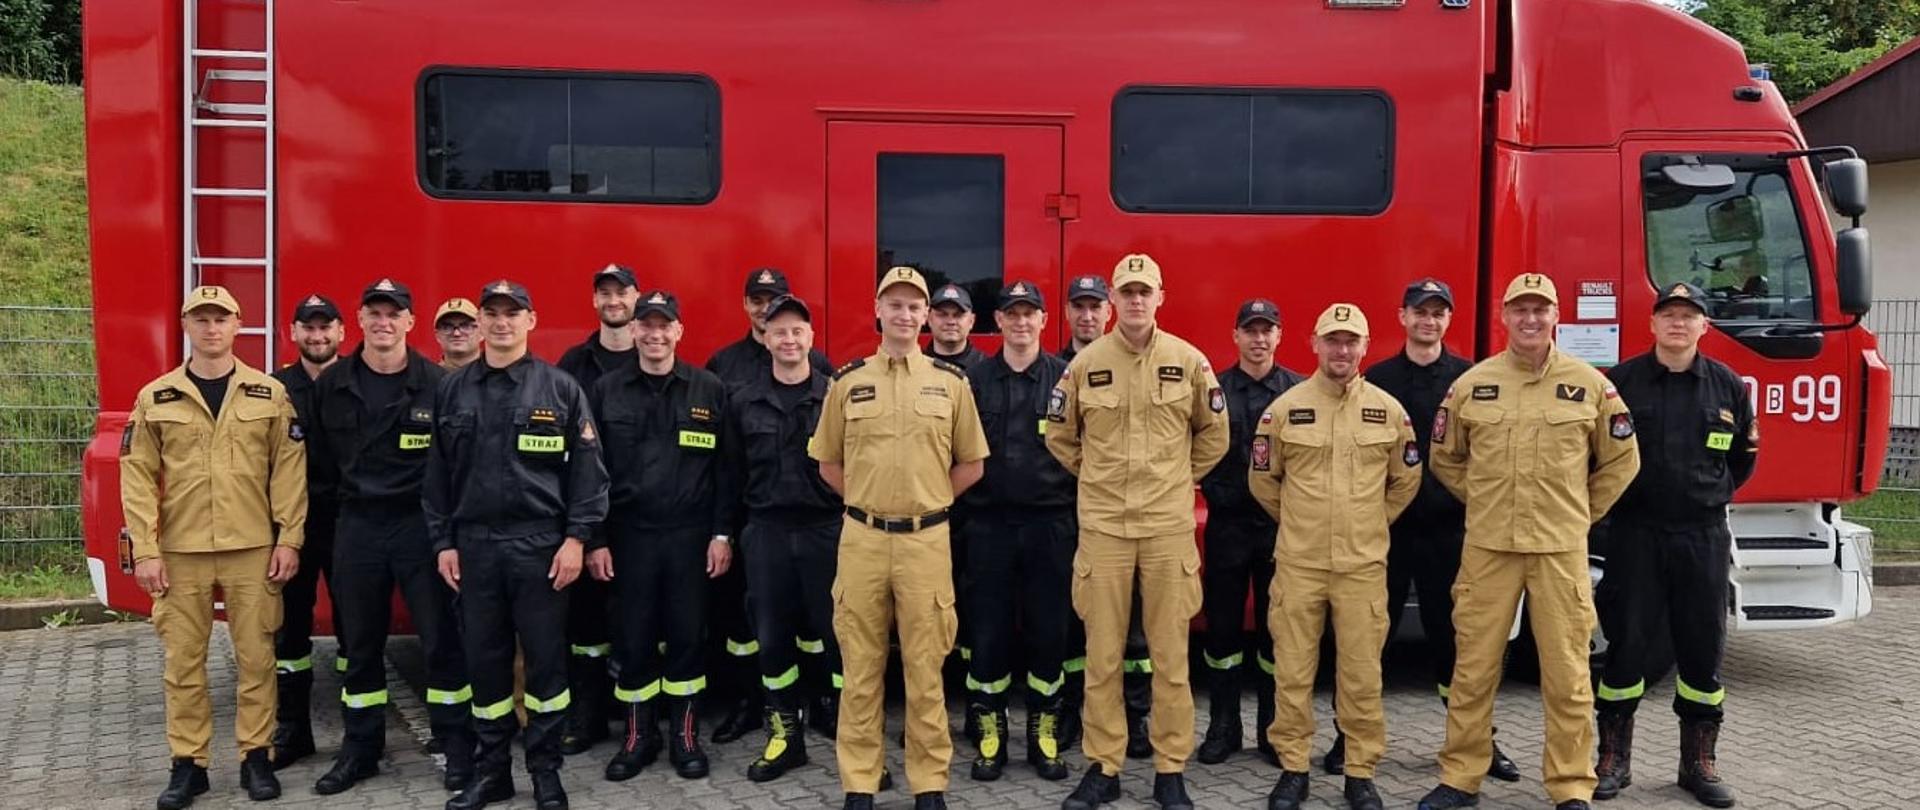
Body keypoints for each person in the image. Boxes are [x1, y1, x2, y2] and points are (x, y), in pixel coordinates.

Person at [1418, 273, 1641, 810]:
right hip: (1489, 548)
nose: (1530, 319)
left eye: (1540, 309)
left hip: (1559, 551)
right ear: (1504, 316)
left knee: (1566, 674)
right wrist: (1486, 498)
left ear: (1556, 315)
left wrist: (1581, 514)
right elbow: (1445, 456)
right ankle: (1461, 778)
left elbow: (1621, 460)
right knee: (1472, 668)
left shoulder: (1590, 385)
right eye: (1520, 309)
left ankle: (1570, 786)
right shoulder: (1473, 384)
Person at [1046, 254, 1227, 810]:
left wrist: (1175, 481)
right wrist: (1099, 480)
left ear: (1160, 297)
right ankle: (1104, 767)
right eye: (1125, 292)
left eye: (1144, 291)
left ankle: (1170, 769)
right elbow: (1059, 434)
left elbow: (1214, 433)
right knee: (1102, 656)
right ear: (1111, 302)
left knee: (1171, 657)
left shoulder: (1188, 361)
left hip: (1167, 528)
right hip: (1103, 529)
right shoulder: (1084, 365)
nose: (1135, 301)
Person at [426, 279, 609, 810]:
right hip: (475, 547)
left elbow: (590, 478)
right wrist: (444, 542)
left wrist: (577, 540)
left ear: (531, 321)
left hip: (540, 548)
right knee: (484, 664)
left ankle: (546, 772)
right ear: (479, 324)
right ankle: (492, 774)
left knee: (547, 666)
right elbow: (436, 479)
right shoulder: (452, 391)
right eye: (493, 314)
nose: (502, 322)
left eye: (513, 313)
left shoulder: (560, 389)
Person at [810, 266, 989, 810]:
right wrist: (870, 505)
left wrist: (926, 504)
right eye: (896, 304)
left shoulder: (950, 384)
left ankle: (929, 782)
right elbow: (828, 464)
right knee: (860, 671)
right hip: (862, 540)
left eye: (916, 306)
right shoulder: (846, 382)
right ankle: (860, 782)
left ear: (928, 317)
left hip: (925, 543)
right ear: (878, 311)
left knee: (926, 668)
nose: (905, 314)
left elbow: (972, 465)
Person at [122, 285, 307, 809]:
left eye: (220, 318)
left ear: (237, 325)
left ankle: (256, 758)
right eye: (200, 319)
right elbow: (136, 476)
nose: (211, 328)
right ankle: (188, 766)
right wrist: (147, 550)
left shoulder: (266, 394)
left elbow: (289, 471)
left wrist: (288, 537)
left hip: (252, 546)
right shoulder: (156, 397)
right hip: (181, 552)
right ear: (186, 326)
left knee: (256, 658)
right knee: (183, 663)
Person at [1341, 279, 1520, 783]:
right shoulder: (1374, 380)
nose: (1429, 320)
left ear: (1448, 320)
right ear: (1402, 317)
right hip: (1386, 532)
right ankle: (1348, 736)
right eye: (1421, 311)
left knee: (1458, 643)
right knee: (1368, 638)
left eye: (1439, 312)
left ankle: (1477, 743)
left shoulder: (1469, 380)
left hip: (1449, 532)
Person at [305, 279, 472, 794]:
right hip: (356, 525)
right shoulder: (331, 385)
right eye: (374, 313)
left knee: (441, 641)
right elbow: (318, 462)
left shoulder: (436, 384)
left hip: (419, 526)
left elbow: (454, 464)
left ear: (409, 323)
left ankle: (457, 746)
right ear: (358, 320)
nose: (383, 323)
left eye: (393, 314)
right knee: (359, 644)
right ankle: (361, 749)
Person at [1593, 282, 1756, 808]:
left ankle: (1698, 764)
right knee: (1626, 646)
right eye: (1669, 315)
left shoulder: (1728, 387)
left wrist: (1705, 495)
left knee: (1701, 650)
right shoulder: (1622, 383)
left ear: (1704, 326)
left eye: (1689, 316)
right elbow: (1599, 453)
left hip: (1702, 536)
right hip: (1636, 533)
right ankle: (1613, 759)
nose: (1678, 324)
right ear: (1653, 324)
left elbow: (1742, 460)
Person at [1250, 303, 1419, 810]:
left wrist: (1367, 523)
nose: (1341, 350)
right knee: (1293, 672)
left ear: (1366, 347)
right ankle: (1294, 768)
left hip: (1362, 568)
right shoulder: (1284, 409)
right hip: (1299, 565)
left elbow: (1405, 480)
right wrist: (1305, 523)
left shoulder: (1388, 411)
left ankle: (1359, 771)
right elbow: (1263, 480)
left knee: (1362, 675)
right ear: (1314, 344)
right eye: (1333, 340)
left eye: (1351, 341)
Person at [587, 289, 730, 782]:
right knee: (633, 637)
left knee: (689, 635)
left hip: (690, 537)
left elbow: (725, 473)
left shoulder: (709, 389)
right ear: (633, 331)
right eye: (645, 325)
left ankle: (684, 736)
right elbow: (591, 471)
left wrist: (721, 534)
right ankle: (637, 737)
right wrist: (596, 539)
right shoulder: (606, 391)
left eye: (663, 325)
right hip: (629, 537)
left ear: (678, 332)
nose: (653, 334)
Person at [704, 266, 833, 744]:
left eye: (795, 328)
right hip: (761, 527)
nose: (786, 338)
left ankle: (826, 705)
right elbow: (727, 467)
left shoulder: (827, 380)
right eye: (758, 301)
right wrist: (723, 532)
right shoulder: (727, 369)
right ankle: (754, 708)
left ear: (807, 335)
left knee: (825, 627)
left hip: (822, 527)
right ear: (747, 308)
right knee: (755, 628)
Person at [958, 280, 1075, 783]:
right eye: (1012, 314)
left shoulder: (1068, 379)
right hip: (988, 526)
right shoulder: (973, 381)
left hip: (1052, 524)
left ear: (1045, 322)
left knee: (1050, 633)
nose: (1021, 322)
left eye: (1031, 314)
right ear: (998, 322)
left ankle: (1043, 734)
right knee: (987, 634)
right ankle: (991, 734)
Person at [1195, 299, 1303, 766]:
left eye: (1268, 330)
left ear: (1279, 336)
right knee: (1220, 633)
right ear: (1235, 336)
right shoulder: (1213, 389)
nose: (1259, 339)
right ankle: (1223, 727)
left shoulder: (1299, 392)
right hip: (1228, 527)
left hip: (1280, 529)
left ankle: (1272, 729)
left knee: (1277, 633)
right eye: (1250, 330)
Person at [1057, 274, 1154, 757]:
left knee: (1135, 627)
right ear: (1069, 312)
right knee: (1078, 622)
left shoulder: (1141, 363)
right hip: (1067, 516)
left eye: (1095, 306)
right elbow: (1056, 439)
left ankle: (1136, 719)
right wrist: (1092, 475)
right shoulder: (1053, 369)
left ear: (1108, 310)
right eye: (1079, 306)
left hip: (1128, 517)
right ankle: (1075, 715)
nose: (1088, 315)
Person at [552, 263, 639, 756]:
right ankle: (586, 717)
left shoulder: (655, 357)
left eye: (621, 292)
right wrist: (584, 531)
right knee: (585, 624)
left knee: (637, 619)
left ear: (635, 297)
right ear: (595, 302)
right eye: (603, 292)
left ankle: (637, 718)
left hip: (639, 518)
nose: (613, 301)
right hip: (589, 516)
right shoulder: (573, 364)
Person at [267, 293, 344, 770]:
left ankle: (361, 739)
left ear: (341, 333)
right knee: (288, 634)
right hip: (290, 530)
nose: (317, 336)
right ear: (291, 334)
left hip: (347, 526)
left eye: (325, 327)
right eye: (307, 328)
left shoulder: (358, 382)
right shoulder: (272, 390)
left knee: (355, 633)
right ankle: (294, 731)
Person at [926, 283, 988, 370]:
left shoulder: (988, 369)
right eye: (942, 314)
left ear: (971, 321)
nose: (950, 322)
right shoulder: (914, 367)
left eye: (958, 315)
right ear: (929, 319)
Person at [434, 298, 480, 370]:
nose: (456, 333)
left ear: (482, 332)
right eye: (447, 327)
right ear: (437, 335)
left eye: (465, 326)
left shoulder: (498, 377)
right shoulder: (427, 379)